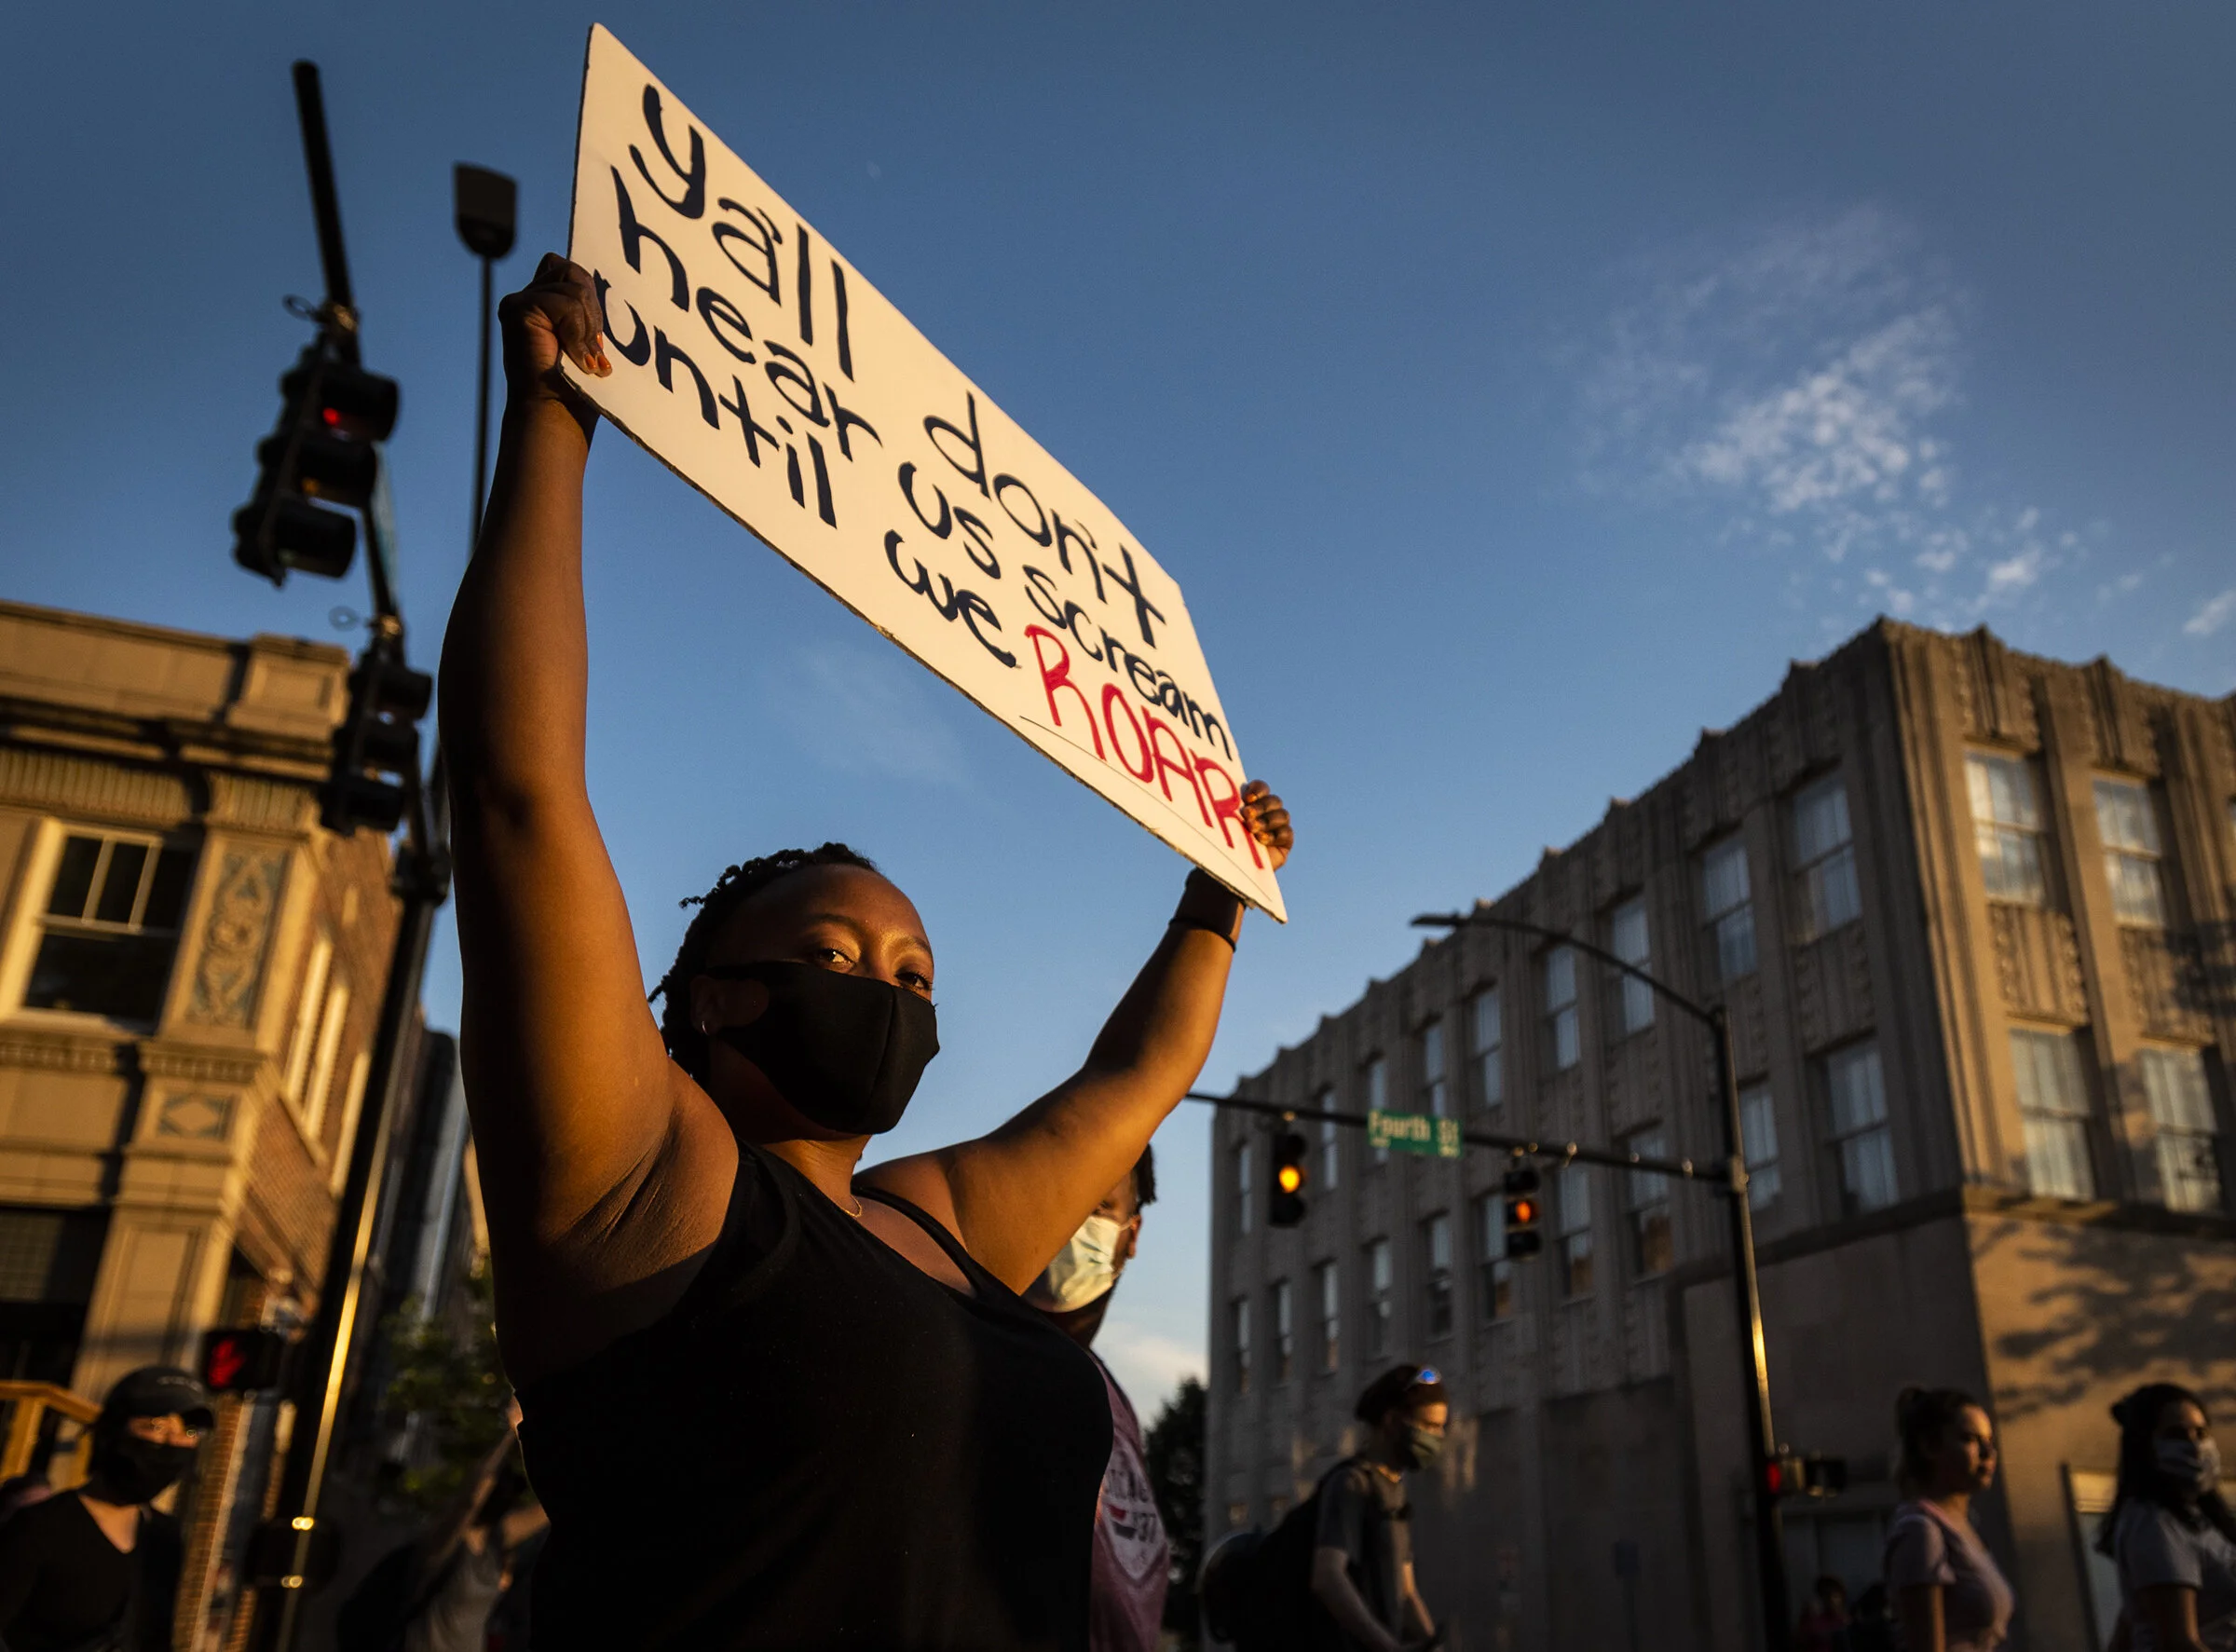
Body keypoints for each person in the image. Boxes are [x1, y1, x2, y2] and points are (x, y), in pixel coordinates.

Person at [441, 253, 1295, 1652]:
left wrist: (1216, 895)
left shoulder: (938, 1225)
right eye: (841, 955)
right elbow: (516, 790)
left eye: (916, 977)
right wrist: (555, 423)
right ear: (715, 997)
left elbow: (1135, 1079)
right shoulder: (642, 1180)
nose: (892, 991)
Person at [1026, 1146, 1168, 1652]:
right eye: (1059, 1193)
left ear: (1132, 1235)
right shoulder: (979, 1361)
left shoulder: (1114, 1401)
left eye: (1098, 1204)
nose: (1071, 1215)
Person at [0, 1366, 211, 1652]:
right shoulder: (41, 1528)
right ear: (114, 1432)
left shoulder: (164, 1536)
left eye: (188, 1430)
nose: (172, 1442)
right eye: (156, 1426)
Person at [1311, 1363, 1447, 1652]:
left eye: (1440, 1427)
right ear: (1392, 1421)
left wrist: (1432, 1644)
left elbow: (1407, 1592)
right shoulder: (1351, 1484)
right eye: (1429, 1426)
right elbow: (1327, 1576)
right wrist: (1387, 1647)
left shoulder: (1394, 1492)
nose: (1438, 1438)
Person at [2098, 1382, 2236, 1652]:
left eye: (2201, 1433)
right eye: (2177, 1435)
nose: (2195, 1446)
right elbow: (2178, 1643)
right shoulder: (2154, 1524)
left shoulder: (2199, 1519)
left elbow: (2132, 1620)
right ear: (2145, 1445)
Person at [1882, 1386, 2013, 1652]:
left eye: (1990, 1440)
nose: (1988, 1453)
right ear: (1930, 1446)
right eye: (1969, 1439)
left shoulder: (1966, 1527)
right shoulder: (1921, 1530)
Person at [1798, 1574, 1851, 1652]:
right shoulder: (1813, 1619)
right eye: (1826, 1595)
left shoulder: (1845, 1620)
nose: (1831, 1600)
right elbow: (1801, 1640)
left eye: (1835, 1596)